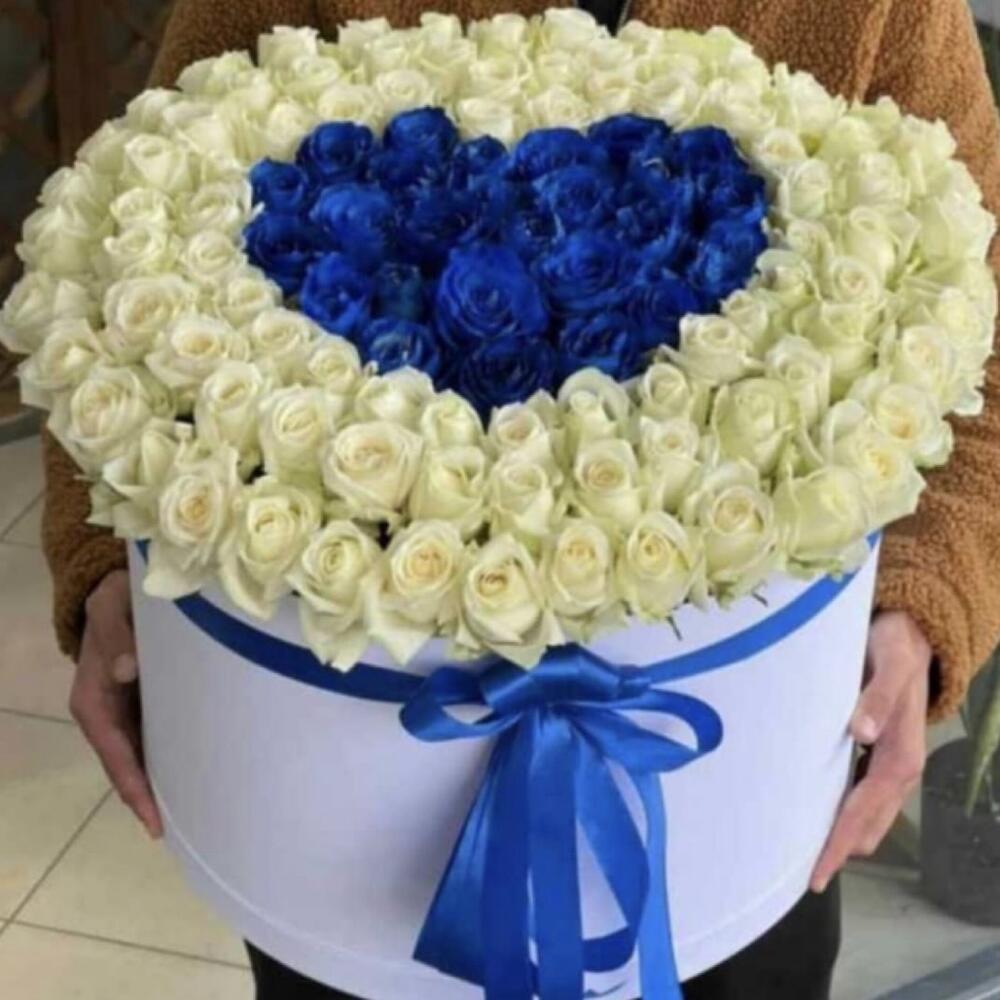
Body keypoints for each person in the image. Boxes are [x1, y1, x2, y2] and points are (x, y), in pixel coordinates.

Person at [39, 0, 1000, 997]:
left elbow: (984, 309)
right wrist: (103, 568)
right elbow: (130, 264)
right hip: (348, 808)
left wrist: (928, 603)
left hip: (727, 791)